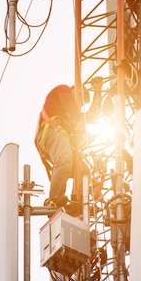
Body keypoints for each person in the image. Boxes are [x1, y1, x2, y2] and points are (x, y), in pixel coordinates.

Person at [34, 84, 84, 212]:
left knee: (84, 171)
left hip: (55, 135)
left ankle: (76, 203)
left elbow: (82, 116)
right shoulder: (63, 90)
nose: (80, 105)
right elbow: (71, 107)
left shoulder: (66, 111)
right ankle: (54, 200)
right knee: (64, 160)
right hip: (52, 130)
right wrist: (79, 120)